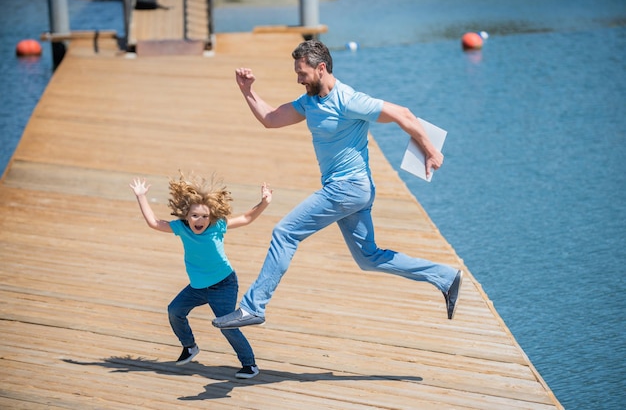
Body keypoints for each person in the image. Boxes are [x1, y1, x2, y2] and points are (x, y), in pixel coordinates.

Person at [212, 40, 462, 331]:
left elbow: (403, 114)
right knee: (369, 258)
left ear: (321, 68)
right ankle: (445, 277)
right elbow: (271, 119)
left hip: (348, 188)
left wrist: (430, 150)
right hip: (351, 191)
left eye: (302, 73)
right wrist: (247, 91)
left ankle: (253, 307)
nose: (298, 78)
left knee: (285, 232)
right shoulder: (309, 102)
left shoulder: (349, 99)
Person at [129, 173, 272, 379]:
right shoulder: (181, 228)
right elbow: (154, 223)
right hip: (197, 286)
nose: (200, 220)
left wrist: (264, 202)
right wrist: (141, 196)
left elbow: (247, 218)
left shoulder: (218, 225)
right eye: (195, 215)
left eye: (205, 216)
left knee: (227, 325)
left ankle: (250, 365)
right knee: (174, 311)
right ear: (186, 216)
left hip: (224, 284)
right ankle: (190, 346)